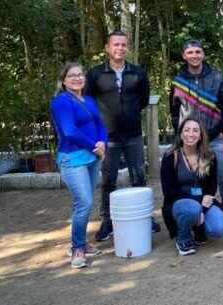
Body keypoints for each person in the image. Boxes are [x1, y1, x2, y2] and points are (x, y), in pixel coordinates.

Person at [85, 30, 159, 242]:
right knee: (109, 180)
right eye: (115, 44)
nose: (120, 48)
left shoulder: (138, 73)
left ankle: (145, 217)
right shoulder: (95, 74)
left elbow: (143, 100)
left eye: (123, 45)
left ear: (128, 48)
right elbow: (89, 103)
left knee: (139, 177)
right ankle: (107, 220)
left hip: (133, 135)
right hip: (107, 137)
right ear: (107, 48)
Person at [169, 39, 223, 223]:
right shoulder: (178, 80)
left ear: (203, 54)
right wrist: (181, 135)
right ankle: (198, 207)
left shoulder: (217, 76)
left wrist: (221, 129)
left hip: (216, 135)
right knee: (192, 174)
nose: (194, 55)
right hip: (190, 137)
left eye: (197, 52)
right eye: (190, 52)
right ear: (184, 56)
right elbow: (174, 110)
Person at [51, 62, 107, 268]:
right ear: (64, 80)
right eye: (72, 75)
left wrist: (103, 142)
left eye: (80, 75)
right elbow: (69, 131)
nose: (77, 78)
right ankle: (77, 249)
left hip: (91, 157)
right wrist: (95, 146)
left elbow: (100, 123)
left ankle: (82, 242)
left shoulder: (89, 99)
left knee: (87, 201)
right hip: (73, 159)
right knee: (83, 203)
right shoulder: (61, 102)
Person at [161, 118, 223, 256]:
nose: (191, 134)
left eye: (195, 130)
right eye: (187, 130)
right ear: (180, 134)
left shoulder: (209, 156)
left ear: (201, 135)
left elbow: (212, 185)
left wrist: (208, 198)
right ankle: (183, 236)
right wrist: (197, 202)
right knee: (192, 208)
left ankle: (199, 227)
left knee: (219, 228)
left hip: (203, 201)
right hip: (178, 202)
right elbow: (168, 191)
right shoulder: (170, 156)